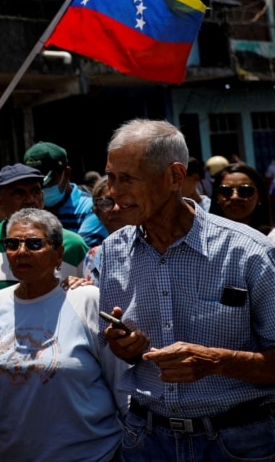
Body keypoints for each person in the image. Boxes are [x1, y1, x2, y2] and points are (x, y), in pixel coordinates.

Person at [100, 119, 275, 461]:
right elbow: (120, 346)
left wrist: (216, 361)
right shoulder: (112, 252)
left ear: (175, 176)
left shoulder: (249, 252)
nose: (112, 192)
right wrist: (125, 347)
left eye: (126, 179)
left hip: (238, 442)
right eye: (110, 177)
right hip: (147, 440)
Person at [0, 209, 123, 462]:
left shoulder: (87, 301)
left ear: (59, 254)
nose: (22, 251)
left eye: (34, 243)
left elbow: (122, 385)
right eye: (12, 244)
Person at [0, 163, 89, 328]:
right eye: (19, 193)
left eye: (36, 191)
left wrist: (86, 285)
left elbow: (90, 298)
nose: (30, 199)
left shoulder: (73, 245)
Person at [23, 141, 109, 247]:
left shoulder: (91, 209)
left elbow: (77, 255)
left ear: (67, 174)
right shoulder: (28, 210)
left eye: (47, 181)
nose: (42, 188)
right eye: (34, 184)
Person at [210, 161, 271, 233]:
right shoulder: (204, 237)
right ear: (217, 196)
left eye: (245, 191)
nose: (234, 197)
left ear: (260, 197)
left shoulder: (271, 239)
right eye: (226, 191)